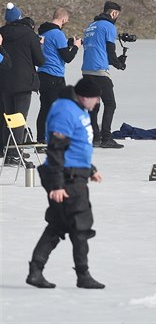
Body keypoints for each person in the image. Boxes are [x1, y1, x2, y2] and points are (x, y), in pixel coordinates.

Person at [26, 77, 105, 289]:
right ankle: (83, 275)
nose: (97, 103)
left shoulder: (79, 110)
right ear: (85, 97)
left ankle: (36, 270)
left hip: (74, 173)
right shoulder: (64, 111)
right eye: (96, 99)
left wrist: (90, 169)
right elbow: (56, 149)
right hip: (66, 177)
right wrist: (58, 185)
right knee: (80, 225)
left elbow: (77, 145)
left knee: (59, 224)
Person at [0, 3, 46, 164]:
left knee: (9, 119)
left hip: (5, 82)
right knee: (19, 118)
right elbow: (40, 60)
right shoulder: (29, 34)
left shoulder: (1, 33)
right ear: (19, 18)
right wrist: (39, 46)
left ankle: (8, 152)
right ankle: (14, 154)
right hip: (24, 82)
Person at [81, 1, 127, 149]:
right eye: (117, 15)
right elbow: (110, 51)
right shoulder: (109, 26)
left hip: (86, 70)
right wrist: (119, 64)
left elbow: (98, 49)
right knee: (110, 103)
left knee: (93, 106)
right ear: (113, 13)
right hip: (99, 71)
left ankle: (94, 137)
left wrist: (114, 61)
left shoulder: (91, 26)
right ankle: (106, 137)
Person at [36, 7, 82, 144]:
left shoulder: (43, 33)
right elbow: (67, 57)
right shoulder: (57, 34)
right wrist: (76, 46)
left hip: (42, 75)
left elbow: (53, 51)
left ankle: (41, 139)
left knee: (44, 108)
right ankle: (54, 139)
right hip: (54, 76)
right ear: (63, 19)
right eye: (66, 21)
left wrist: (67, 44)